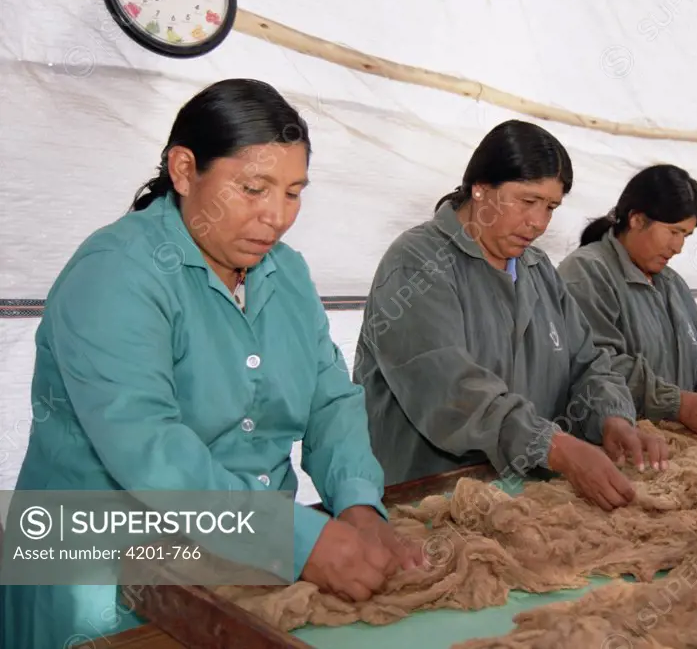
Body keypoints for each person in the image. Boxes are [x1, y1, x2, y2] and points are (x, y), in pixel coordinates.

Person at [0, 79, 418, 649]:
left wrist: (358, 505)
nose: (276, 216)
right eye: (253, 188)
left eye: (294, 193)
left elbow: (328, 400)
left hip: (241, 564)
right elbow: (153, 452)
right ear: (183, 169)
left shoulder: (286, 273)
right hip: (103, 576)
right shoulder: (116, 274)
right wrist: (299, 541)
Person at [353, 120, 669, 512]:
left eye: (550, 207)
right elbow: (451, 390)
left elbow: (588, 363)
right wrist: (555, 447)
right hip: (426, 505)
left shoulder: (538, 271)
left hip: (519, 502)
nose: (539, 222)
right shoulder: (417, 265)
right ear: (480, 189)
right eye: (527, 201)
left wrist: (612, 417)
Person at [557, 164, 697, 439]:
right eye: (673, 231)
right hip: (615, 449)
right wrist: (676, 403)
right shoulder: (587, 273)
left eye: (686, 235)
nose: (678, 247)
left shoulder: (673, 285)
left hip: (676, 448)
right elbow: (598, 364)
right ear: (636, 219)